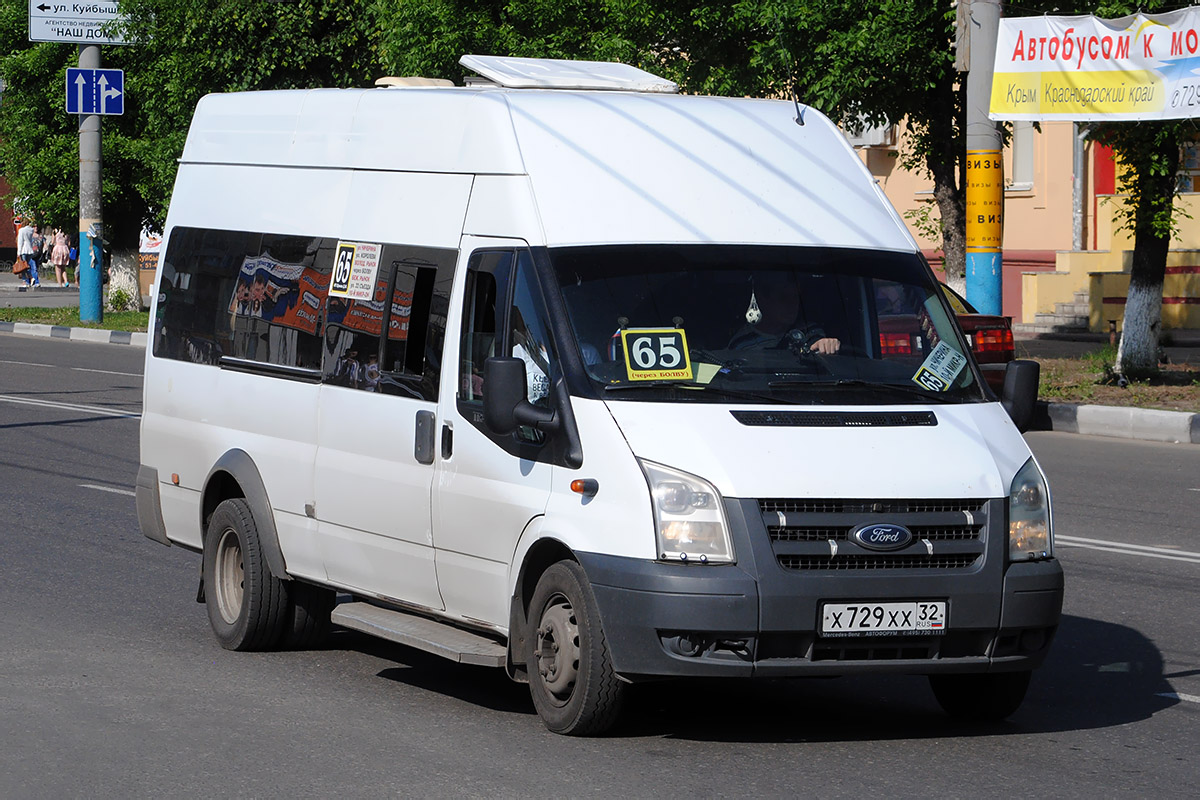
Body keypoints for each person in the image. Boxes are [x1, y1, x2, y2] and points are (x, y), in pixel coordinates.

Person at [728, 272, 840, 354]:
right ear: (763, 300)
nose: (792, 304)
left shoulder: (810, 332)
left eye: (795, 298)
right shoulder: (741, 343)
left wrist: (827, 345)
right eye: (784, 298)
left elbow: (824, 362)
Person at [16, 219, 39, 287]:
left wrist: (18, 252)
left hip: (24, 250)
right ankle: (30, 279)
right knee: (26, 266)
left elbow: (20, 242)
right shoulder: (31, 230)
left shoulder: (21, 230)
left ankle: (25, 281)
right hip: (30, 250)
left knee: (23, 267)